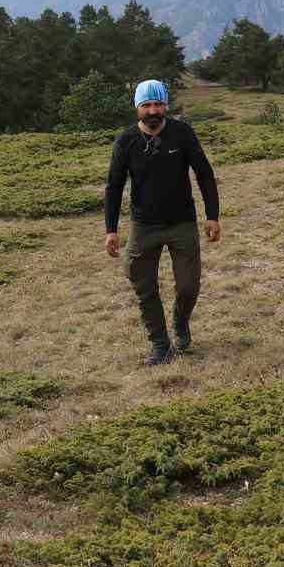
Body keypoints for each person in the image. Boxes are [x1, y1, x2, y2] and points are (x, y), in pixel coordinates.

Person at [104, 79, 221, 366]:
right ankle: (159, 344)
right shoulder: (126, 140)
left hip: (182, 222)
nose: (153, 110)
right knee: (144, 287)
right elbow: (114, 186)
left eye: (158, 104)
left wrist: (212, 216)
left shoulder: (182, 133)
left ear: (165, 105)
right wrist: (111, 230)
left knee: (188, 286)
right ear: (137, 108)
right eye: (147, 105)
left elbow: (204, 173)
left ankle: (181, 323)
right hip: (144, 226)